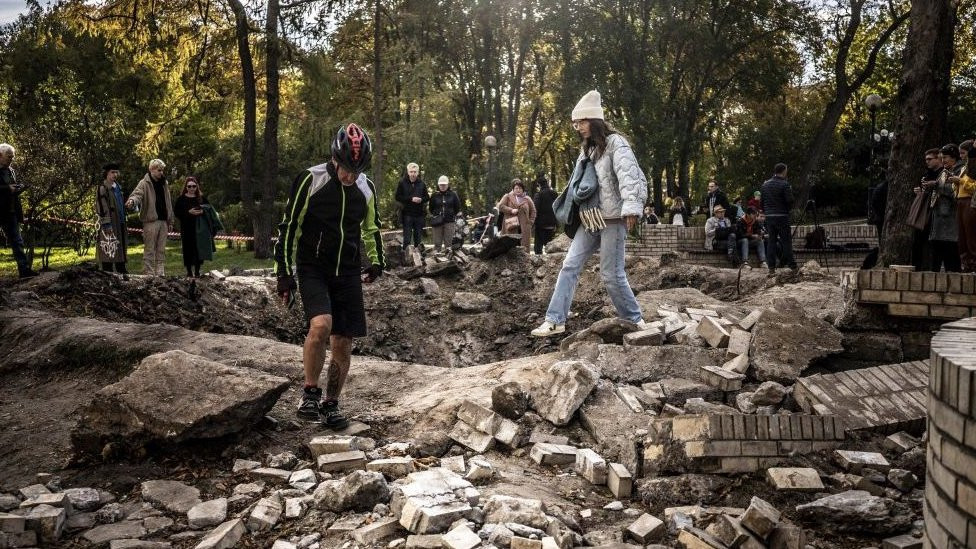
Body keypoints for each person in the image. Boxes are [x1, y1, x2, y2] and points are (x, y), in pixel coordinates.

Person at [274, 123, 384, 430]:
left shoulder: (365, 188)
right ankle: (310, 392)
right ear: (334, 159)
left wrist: (377, 262)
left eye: (357, 170)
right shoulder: (311, 180)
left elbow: (371, 228)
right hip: (313, 266)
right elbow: (289, 227)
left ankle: (331, 404)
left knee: (343, 342)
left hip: (347, 269)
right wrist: (283, 273)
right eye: (346, 168)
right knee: (321, 325)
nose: (351, 176)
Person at [531, 90, 647, 337]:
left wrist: (631, 208)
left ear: (595, 121)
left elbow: (630, 176)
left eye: (581, 122)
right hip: (591, 219)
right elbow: (577, 184)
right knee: (569, 265)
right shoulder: (587, 151)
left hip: (613, 218)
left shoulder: (617, 144)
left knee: (611, 275)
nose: (578, 127)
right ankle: (555, 320)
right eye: (576, 123)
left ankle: (635, 321)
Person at [126, 159, 174, 277]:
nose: (161, 173)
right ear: (151, 169)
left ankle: (160, 272)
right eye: (159, 170)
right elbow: (137, 194)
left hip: (163, 221)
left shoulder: (164, 183)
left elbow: (168, 203)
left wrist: (170, 220)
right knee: (150, 249)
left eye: (162, 170)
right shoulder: (144, 183)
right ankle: (148, 273)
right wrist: (132, 201)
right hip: (150, 221)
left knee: (161, 249)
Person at [0, 143, 37, 278]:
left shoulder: (11, 170)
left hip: (11, 212)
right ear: (0, 155)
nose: (11, 160)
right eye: (9, 157)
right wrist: (7, 189)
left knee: (17, 241)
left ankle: (24, 271)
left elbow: (13, 192)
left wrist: (18, 188)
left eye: (12, 157)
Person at [174, 177, 223, 278]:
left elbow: (210, 210)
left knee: (198, 249)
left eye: (194, 186)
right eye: (189, 186)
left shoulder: (201, 198)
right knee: (187, 249)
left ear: (197, 186)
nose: (192, 188)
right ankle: (189, 271)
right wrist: (188, 212)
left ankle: (197, 271)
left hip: (200, 228)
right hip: (187, 228)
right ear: (186, 187)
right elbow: (177, 212)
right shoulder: (181, 199)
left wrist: (202, 211)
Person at [925, 144, 962, 272]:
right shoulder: (944, 172)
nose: (943, 160)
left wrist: (936, 185)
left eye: (945, 157)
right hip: (939, 221)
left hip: (950, 222)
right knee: (936, 257)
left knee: (951, 260)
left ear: (954, 157)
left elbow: (955, 192)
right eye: (941, 158)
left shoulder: (959, 171)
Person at [760, 163, 797, 273]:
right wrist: (787, 209)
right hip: (782, 216)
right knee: (786, 242)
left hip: (770, 217)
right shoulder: (784, 184)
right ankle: (792, 266)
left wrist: (767, 211)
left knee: (771, 241)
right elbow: (790, 201)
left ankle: (771, 267)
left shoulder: (765, 185)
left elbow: (761, 203)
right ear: (784, 171)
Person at [95, 163, 129, 277]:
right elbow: (102, 207)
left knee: (120, 246)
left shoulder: (118, 187)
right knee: (108, 246)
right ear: (106, 173)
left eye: (116, 172)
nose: (115, 174)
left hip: (120, 221)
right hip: (109, 223)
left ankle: (121, 269)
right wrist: (106, 224)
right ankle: (107, 272)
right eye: (112, 172)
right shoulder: (103, 188)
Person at [913, 148, 942, 271]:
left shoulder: (942, 173)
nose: (927, 162)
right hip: (925, 211)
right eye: (926, 160)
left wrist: (934, 184)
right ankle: (917, 267)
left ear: (938, 158)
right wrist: (920, 192)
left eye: (930, 159)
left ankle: (934, 268)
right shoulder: (926, 174)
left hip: (937, 211)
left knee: (935, 242)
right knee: (918, 240)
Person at [394, 162, 428, 252]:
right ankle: (406, 257)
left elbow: (427, 197)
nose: (413, 174)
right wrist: (410, 199)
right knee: (407, 238)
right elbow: (397, 197)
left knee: (418, 238)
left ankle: (419, 257)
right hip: (407, 214)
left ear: (418, 172)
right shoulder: (402, 182)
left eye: (415, 172)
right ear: (408, 172)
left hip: (419, 214)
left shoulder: (422, 183)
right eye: (411, 172)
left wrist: (421, 200)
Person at [497, 179, 537, 252]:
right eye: (516, 188)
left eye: (520, 188)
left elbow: (533, 211)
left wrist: (530, 222)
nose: (518, 190)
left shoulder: (527, 199)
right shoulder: (507, 196)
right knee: (510, 248)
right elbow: (500, 206)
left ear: (523, 189)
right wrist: (511, 210)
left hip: (524, 227)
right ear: (513, 189)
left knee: (524, 249)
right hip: (511, 226)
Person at [956, 140, 976, 272]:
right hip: (960, 201)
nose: (961, 156)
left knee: (971, 235)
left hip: (970, 201)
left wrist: (961, 181)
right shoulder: (963, 167)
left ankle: (974, 264)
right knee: (961, 235)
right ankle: (965, 265)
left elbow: (974, 187)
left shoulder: (973, 167)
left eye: (963, 153)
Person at [429, 175, 461, 253]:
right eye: (441, 185)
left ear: (447, 185)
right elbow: (431, 208)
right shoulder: (434, 195)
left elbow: (457, 207)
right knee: (437, 243)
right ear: (438, 185)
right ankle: (437, 259)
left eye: (444, 184)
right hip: (437, 222)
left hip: (449, 221)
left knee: (449, 243)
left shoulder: (453, 194)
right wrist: (437, 215)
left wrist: (451, 214)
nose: (442, 186)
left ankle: (449, 260)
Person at [533, 177, 558, 254]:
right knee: (550, 246)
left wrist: (533, 222)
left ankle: (538, 264)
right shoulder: (554, 194)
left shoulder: (539, 195)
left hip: (540, 225)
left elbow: (535, 209)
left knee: (538, 247)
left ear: (539, 185)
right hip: (552, 224)